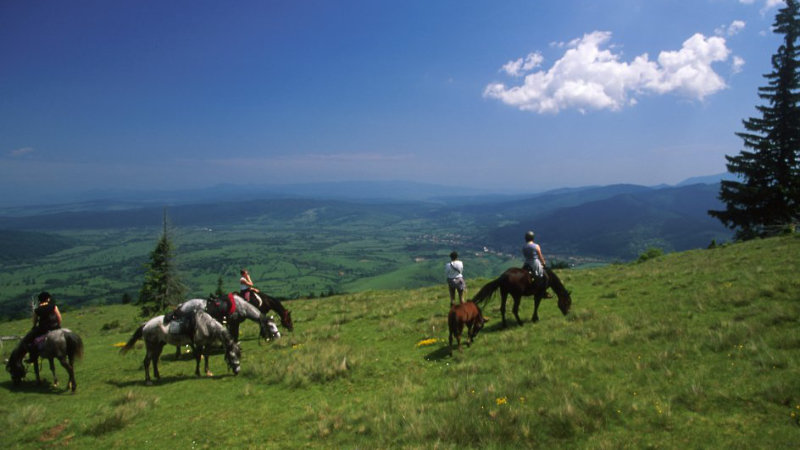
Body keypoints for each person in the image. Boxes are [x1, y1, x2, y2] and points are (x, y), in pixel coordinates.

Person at [20, 292, 62, 362]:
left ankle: (32, 357)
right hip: (55, 327)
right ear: (47, 299)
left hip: (43, 329)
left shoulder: (37, 310)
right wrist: (58, 325)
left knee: (30, 341)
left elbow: (34, 321)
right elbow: (59, 318)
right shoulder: (54, 307)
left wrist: (34, 327)